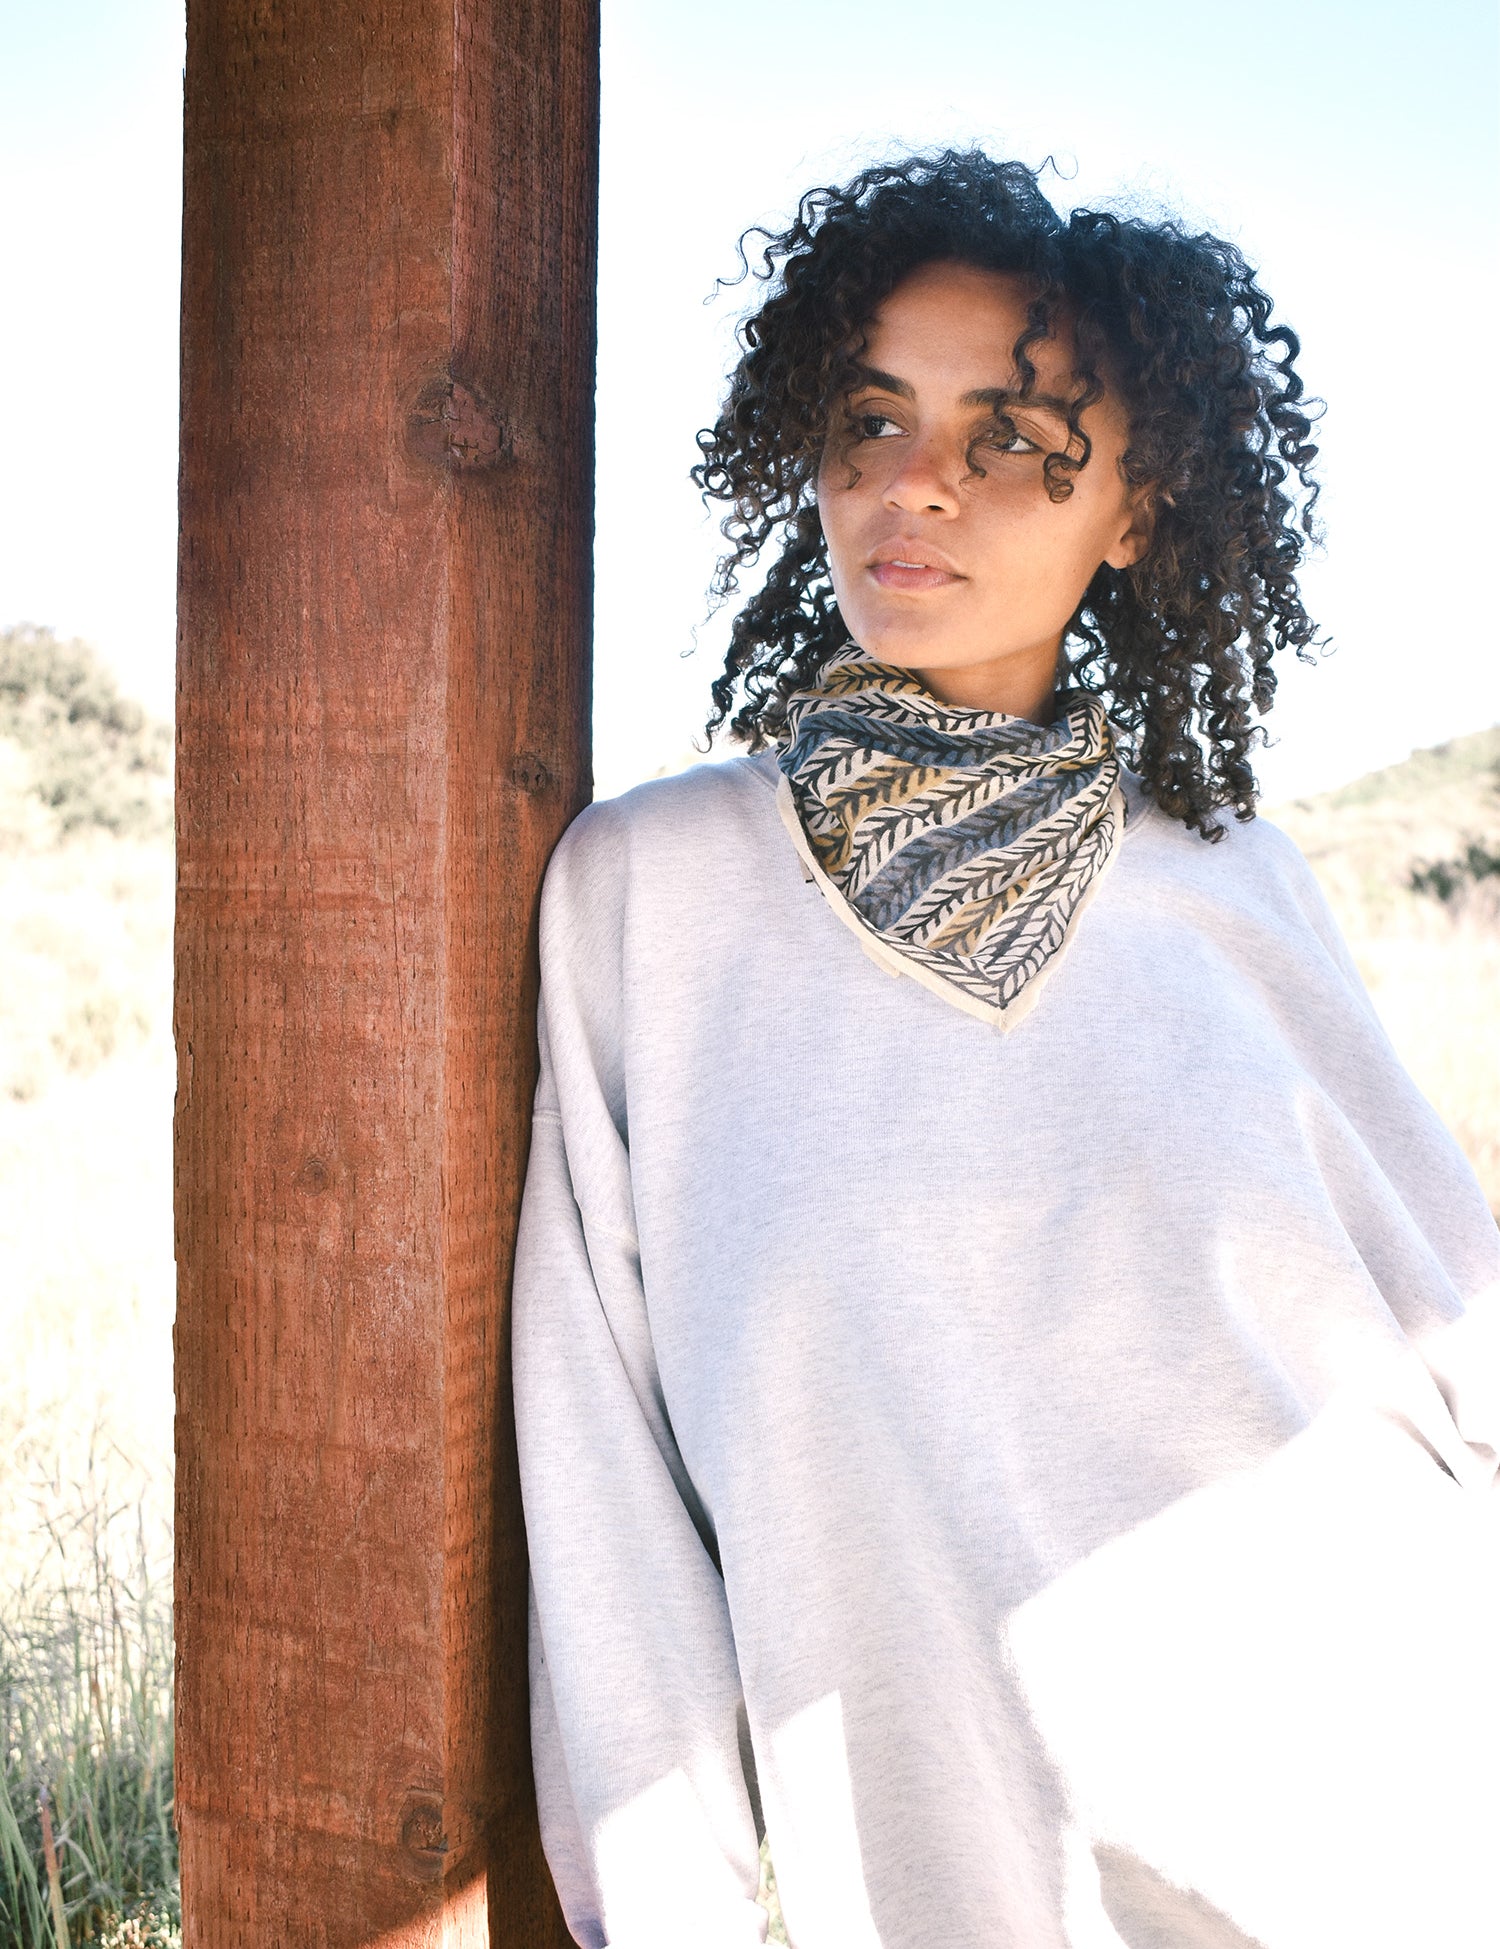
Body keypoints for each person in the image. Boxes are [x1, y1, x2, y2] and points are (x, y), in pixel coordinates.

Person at [511, 151, 1500, 1949]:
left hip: (1378, 1802)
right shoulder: (650, 896)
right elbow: (599, 1460)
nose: (917, 484)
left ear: (1133, 512)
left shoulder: (1232, 882)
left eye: (1016, 440)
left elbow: (1458, 1329)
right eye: (870, 418)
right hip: (959, 1864)